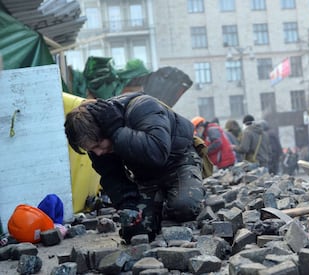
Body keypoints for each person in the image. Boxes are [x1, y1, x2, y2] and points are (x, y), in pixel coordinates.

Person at [64, 91, 206, 243]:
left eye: (99, 145)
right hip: (145, 175)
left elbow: (157, 153)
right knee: (135, 231)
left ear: (106, 130)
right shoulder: (96, 144)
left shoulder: (143, 107)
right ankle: (159, 200)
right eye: (91, 150)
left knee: (184, 206)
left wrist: (117, 132)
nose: (98, 153)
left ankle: (173, 196)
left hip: (178, 161)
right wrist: (127, 203)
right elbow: (111, 176)